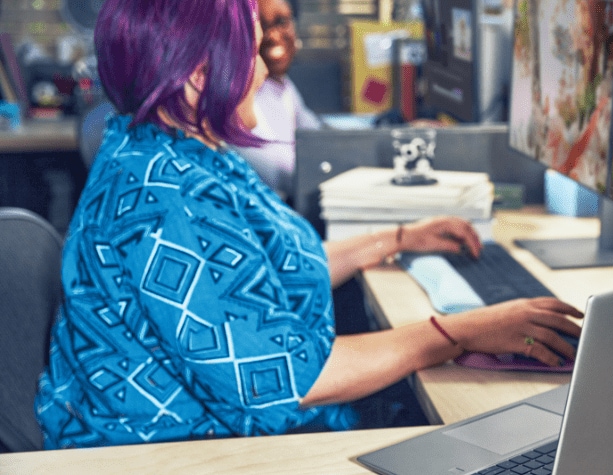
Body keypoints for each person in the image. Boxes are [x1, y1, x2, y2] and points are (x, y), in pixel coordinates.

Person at [33, 0, 582, 449]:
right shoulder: (163, 200)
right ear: (199, 75)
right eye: (248, 46)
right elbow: (293, 378)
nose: (262, 65)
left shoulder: (179, 147)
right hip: (177, 449)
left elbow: (260, 274)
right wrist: (456, 332)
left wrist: (396, 240)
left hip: (219, 425)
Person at [235, 0, 319, 200]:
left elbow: (315, 133)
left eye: (281, 22)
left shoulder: (284, 86)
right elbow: (280, 172)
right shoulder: (242, 92)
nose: (272, 35)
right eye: (261, 25)